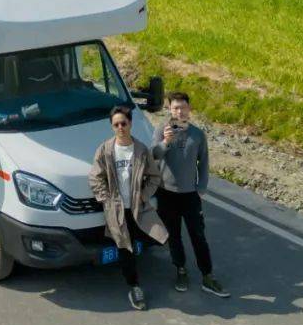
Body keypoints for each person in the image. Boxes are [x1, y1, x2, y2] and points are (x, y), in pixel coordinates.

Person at [89, 106, 167, 311]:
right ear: (112, 127)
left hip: (137, 208)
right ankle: (134, 286)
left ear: (130, 123)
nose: (120, 127)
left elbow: (154, 177)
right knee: (125, 247)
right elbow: (95, 177)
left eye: (123, 123)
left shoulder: (141, 150)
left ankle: (177, 268)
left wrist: (143, 195)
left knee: (156, 236)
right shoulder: (105, 150)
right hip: (117, 210)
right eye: (116, 124)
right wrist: (106, 199)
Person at [152, 92, 228, 297]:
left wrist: (201, 187)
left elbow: (203, 162)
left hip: (190, 194)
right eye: (175, 108)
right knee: (173, 235)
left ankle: (208, 276)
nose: (180, 111)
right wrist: (166, 141)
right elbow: (153, 155)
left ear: (189, 109)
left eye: (183, 107)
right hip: (166, 193)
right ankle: (181, 270)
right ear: (170, 109)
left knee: (198, 235)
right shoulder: (162, 130)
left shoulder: (198, 135)